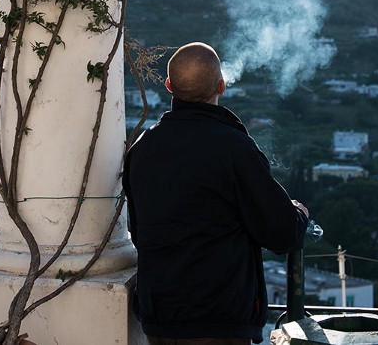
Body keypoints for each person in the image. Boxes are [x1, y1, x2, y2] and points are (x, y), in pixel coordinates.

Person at [123, 42, 309, 345]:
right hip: (218, 318)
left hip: (160, 317)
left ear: (169, 86)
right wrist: (299, 214)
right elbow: (281, 233)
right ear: (221, 85)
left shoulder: (142, 148)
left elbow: (138, 228)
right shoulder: (234, 148)